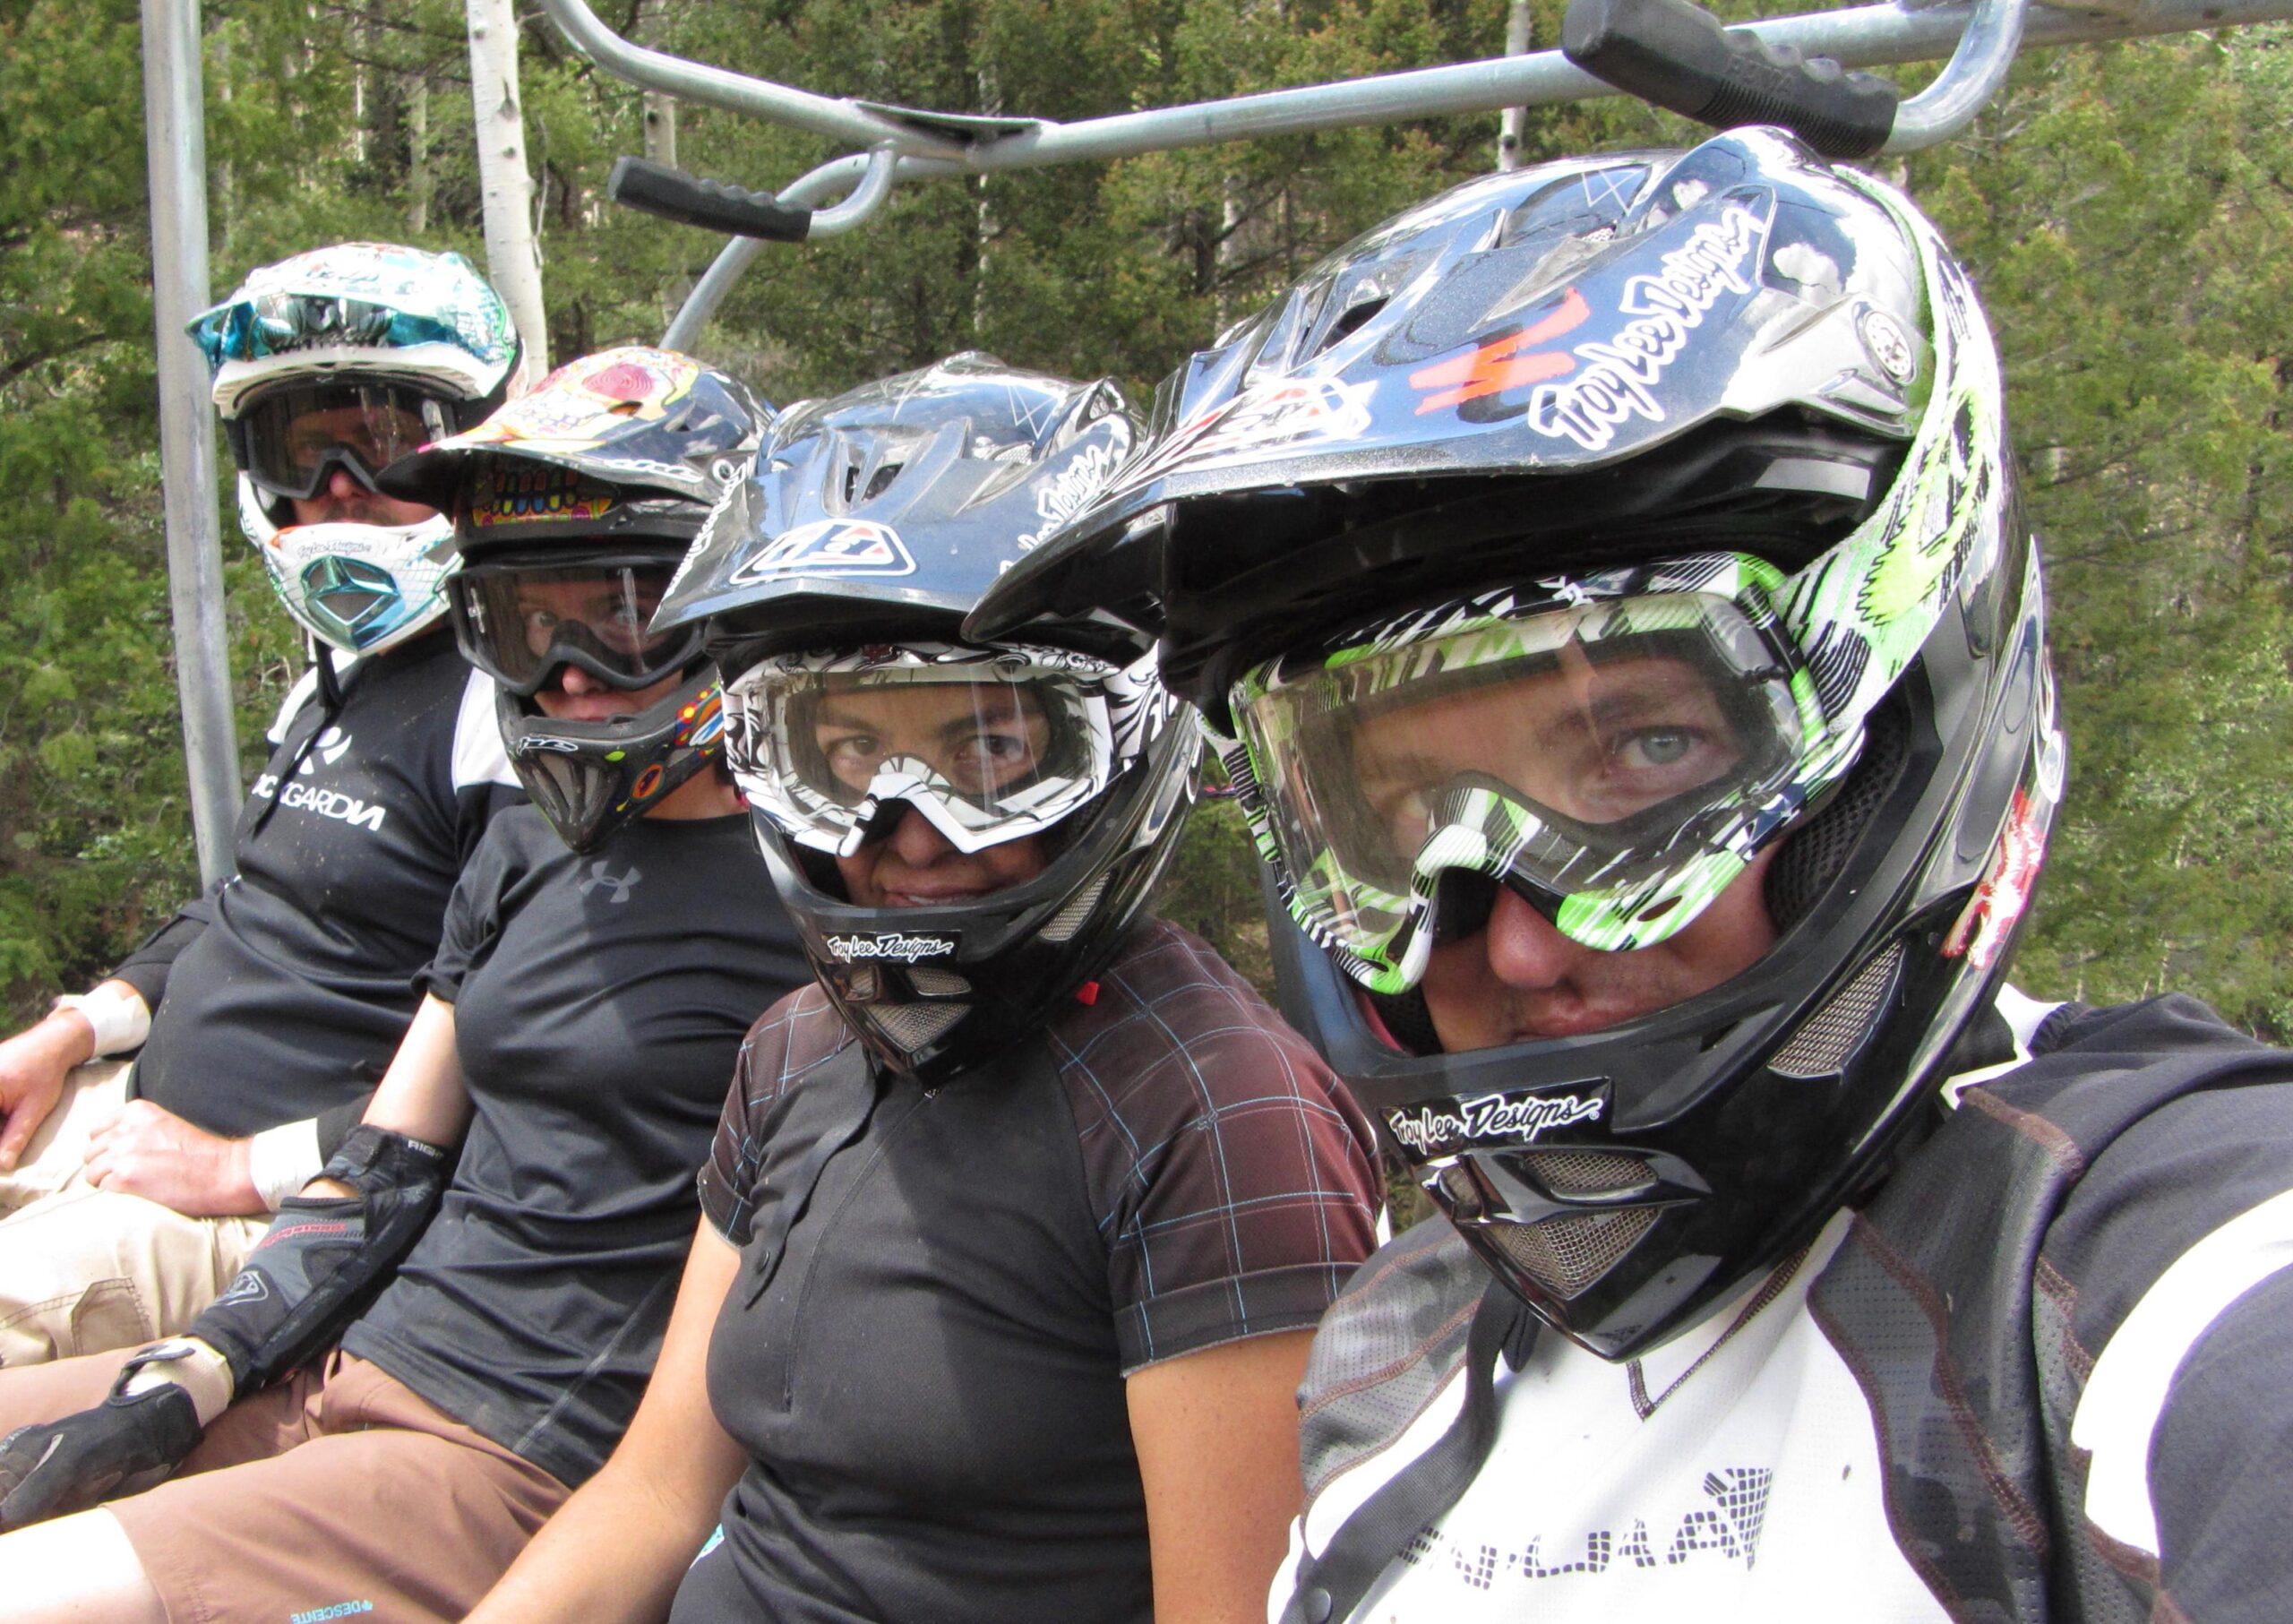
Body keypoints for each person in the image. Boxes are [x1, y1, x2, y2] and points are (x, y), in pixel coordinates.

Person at [972, 128, 2293, 1622]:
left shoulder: (2130, 1276)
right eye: (1400, 807)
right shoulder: (1396, 1362)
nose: (1518, 946)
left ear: (1893, 699)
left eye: (1648, 752)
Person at [464, 353, 1386, 1624]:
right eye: (844, 752)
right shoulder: (797, 1050)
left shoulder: (1220, 1115)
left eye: (992, 750)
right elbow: (654, 1495)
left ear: (1120, 742)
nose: (911, 829)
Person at [0, 347, 811, 1624]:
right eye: (521, 624)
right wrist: (200, 1369)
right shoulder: (533, 841)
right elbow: (381, 1165)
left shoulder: (820, 907)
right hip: (332, 1373)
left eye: (623, 613)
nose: (570, 675)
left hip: (508, 1464)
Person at [0, 243, 528, 1365]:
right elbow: (245, 902)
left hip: (249, 1200)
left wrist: (242, 1168)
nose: (339, 484)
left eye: (381, 441)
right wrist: (66, 1033)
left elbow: (531, 1043)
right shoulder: (335, 681)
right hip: (116, 1113)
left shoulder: (512, 707)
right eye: (301, 450)